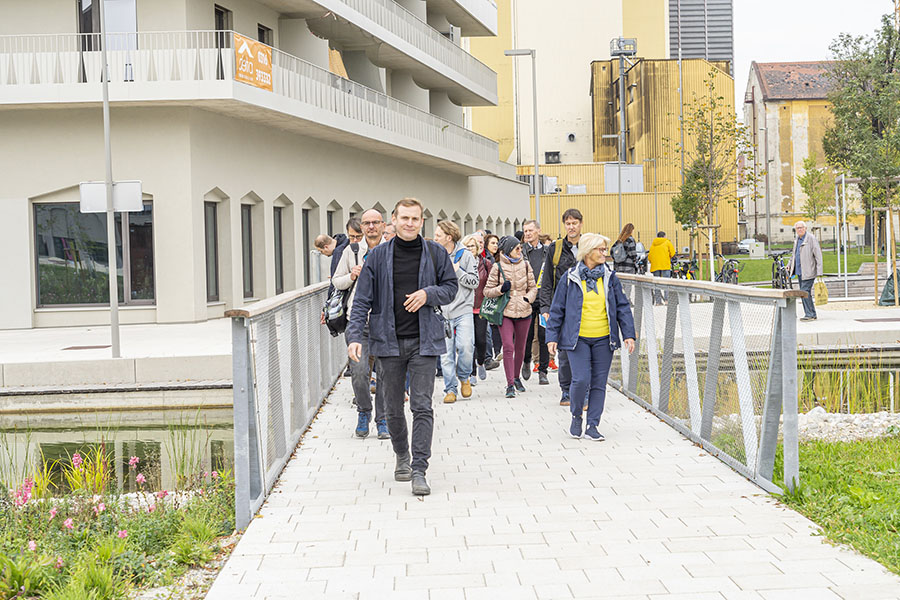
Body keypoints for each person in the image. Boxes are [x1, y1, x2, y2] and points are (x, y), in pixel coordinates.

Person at [347, 198, 458, 497]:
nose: (410, 223)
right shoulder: (378, 256)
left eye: (415, 219)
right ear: (393, 220)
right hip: (388, 342)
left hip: (425, 341)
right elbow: (361, 301)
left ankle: (420, 468)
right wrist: (354, 336)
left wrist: (427, 293)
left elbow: (451, 288)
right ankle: (402, 455)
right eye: (404, 218)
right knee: (393, 407)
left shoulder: (435, 253)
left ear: (422, 222)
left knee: (422, 405)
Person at [546, 233, 636, 441]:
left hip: (604, 339)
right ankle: (577, 415)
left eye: (605, 249)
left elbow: (622, 306)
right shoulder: (570, 277)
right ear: (588, 252)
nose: (605, 253)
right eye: (601, 249)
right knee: (580, 379)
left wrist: (628, 334)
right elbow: (557, 309)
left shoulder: (610, 277)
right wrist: (552, 337)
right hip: (577, 339)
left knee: (598, 383)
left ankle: (593, 425)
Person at [333, 209, 389, 439]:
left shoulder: (393, 250)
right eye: (367, 223)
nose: (371, 227)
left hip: (386, 324)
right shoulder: (351, 250)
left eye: (376, 222)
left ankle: (383, 418)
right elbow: (337, 281)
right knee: (358, 372)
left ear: (383, 225)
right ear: (362, 227)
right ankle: (364, 411)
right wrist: (352, 276)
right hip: (358, 322)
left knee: (386, 374)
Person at [539, 208, 583, 406]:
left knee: (584, 352)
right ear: (564, 225)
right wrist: (546, 308)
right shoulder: (555, 249)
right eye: (568, 223)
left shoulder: (588, 246)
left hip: (585, 308)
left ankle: (583, 391)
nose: (571, 226)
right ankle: (566, 390)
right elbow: (546, 281)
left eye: (574, 223)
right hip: (562, 309)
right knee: (564, 353)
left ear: (581, 224)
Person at [483, 236, 538, 398]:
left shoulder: (526, 265)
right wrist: (501, 289)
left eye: (520, 248)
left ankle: (516, 377)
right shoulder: (497, 267)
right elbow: (487, 291)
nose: (520, 251)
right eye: (517, 248)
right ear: (508, 251)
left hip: (524, 311)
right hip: (505, 312)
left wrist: (527, 299)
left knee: (520, 347)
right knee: (508, 346)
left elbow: (533, 287)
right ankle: (510, 384)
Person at [434, 221, 479, 404]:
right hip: (443, 312)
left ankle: (464, 377)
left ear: (449, 237)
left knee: (466, 347)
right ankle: (450, 389)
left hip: (463, 310)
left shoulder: (465, 255)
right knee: (446, 354)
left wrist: (457, 271)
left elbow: (474, 282)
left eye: (438, 235)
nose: (435, 238)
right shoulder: (435, 256)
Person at [463, 235, 499, 382]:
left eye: (472, 246)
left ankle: (481, 362)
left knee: (481, 340)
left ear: (478, 248)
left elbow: (492, 283)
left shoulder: (486, 263)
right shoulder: (460, 264)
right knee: (468, 342)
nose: (470, 249)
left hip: (481, 307)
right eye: (467, 246)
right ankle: (471, 373)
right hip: (464, 308)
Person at [522, 219, 550, 385]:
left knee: (544, 334)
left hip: (544, 300)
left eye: (531, 230)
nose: (528, 233)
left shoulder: (547, 251)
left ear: (538, 231)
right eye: (525, 231)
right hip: (527, 299)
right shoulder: (521, 251)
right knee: (527, 335)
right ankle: (526, 361)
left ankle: (543, 370)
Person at [787, 220, 823, 321]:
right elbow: (794, 255)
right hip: (799, 271)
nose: (799, 230)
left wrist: (819, 272)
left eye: (801, 227)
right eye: (797, 228)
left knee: (804, 291)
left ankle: (810, 314)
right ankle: (811, 313)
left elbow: (818, 255)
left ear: (805, 228)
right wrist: (789, 265)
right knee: (805, 292)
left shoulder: (811, 238)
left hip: (809, 271)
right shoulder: (797, 240)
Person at [648, 231, 676, 304]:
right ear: (664, 236)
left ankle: (658, 301)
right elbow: (672, 253)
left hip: (655, 266)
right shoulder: (667, 242)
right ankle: (667, 300)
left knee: (656, 284)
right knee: (666, 283)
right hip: (665, 265)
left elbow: (649, 257)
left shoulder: (653, 244)